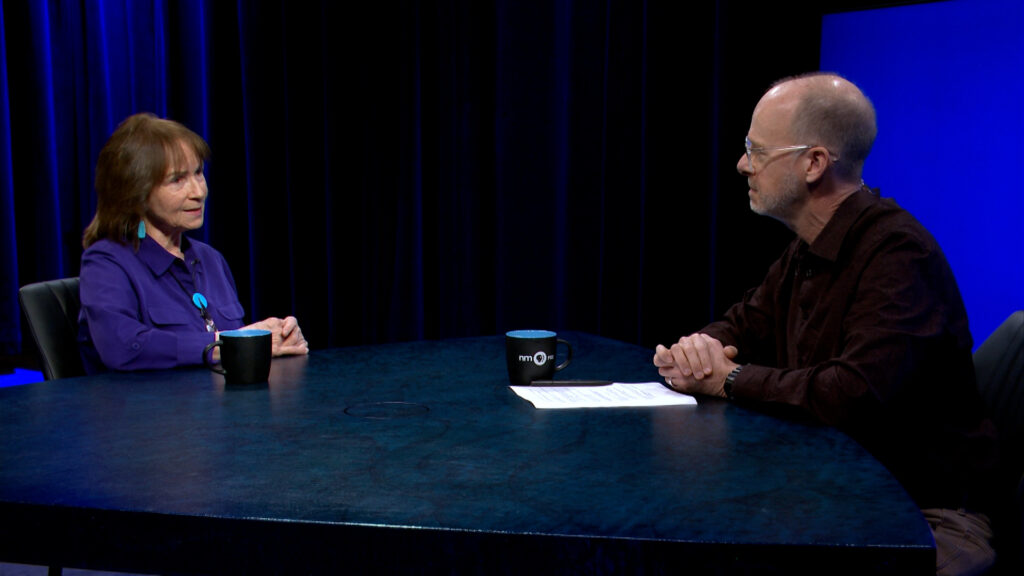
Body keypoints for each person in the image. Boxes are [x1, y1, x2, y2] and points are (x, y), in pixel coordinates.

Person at [654, 73, 999, 576]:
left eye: (757, 150)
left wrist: (725, 378)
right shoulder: (807, 247)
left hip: (923, 509)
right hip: (831, 485)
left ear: (814, 163)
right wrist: (697, 350)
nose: (742, 164)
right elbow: (744, 323)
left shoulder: (898, 255)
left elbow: (849, 394)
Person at [79, 112, 308, 373]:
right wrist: (226, 345)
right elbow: (123, 347)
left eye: (198, 173)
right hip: (145, 411)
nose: (199, 192)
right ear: (136, 192)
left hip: (221, 409)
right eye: (177, 180)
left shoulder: (210, 260)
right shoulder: (107, 263)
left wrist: (275, 339)